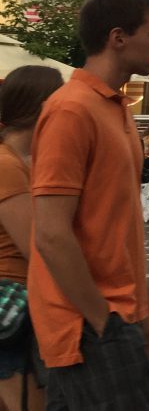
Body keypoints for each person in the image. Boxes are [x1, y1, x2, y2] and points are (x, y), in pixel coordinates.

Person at [31, 0, 149, 409]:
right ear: (118, 38)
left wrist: (142, 309)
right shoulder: (71, 109)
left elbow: (119, 225)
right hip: (87, 324)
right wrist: (101, 319)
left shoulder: (118, 109)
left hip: (116, 315)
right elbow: (51, 233)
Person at [0, 65, 63, 410]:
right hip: (13, 303)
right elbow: (36, 246)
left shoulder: (21, 162)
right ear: (41, 107)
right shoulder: (7, 165)